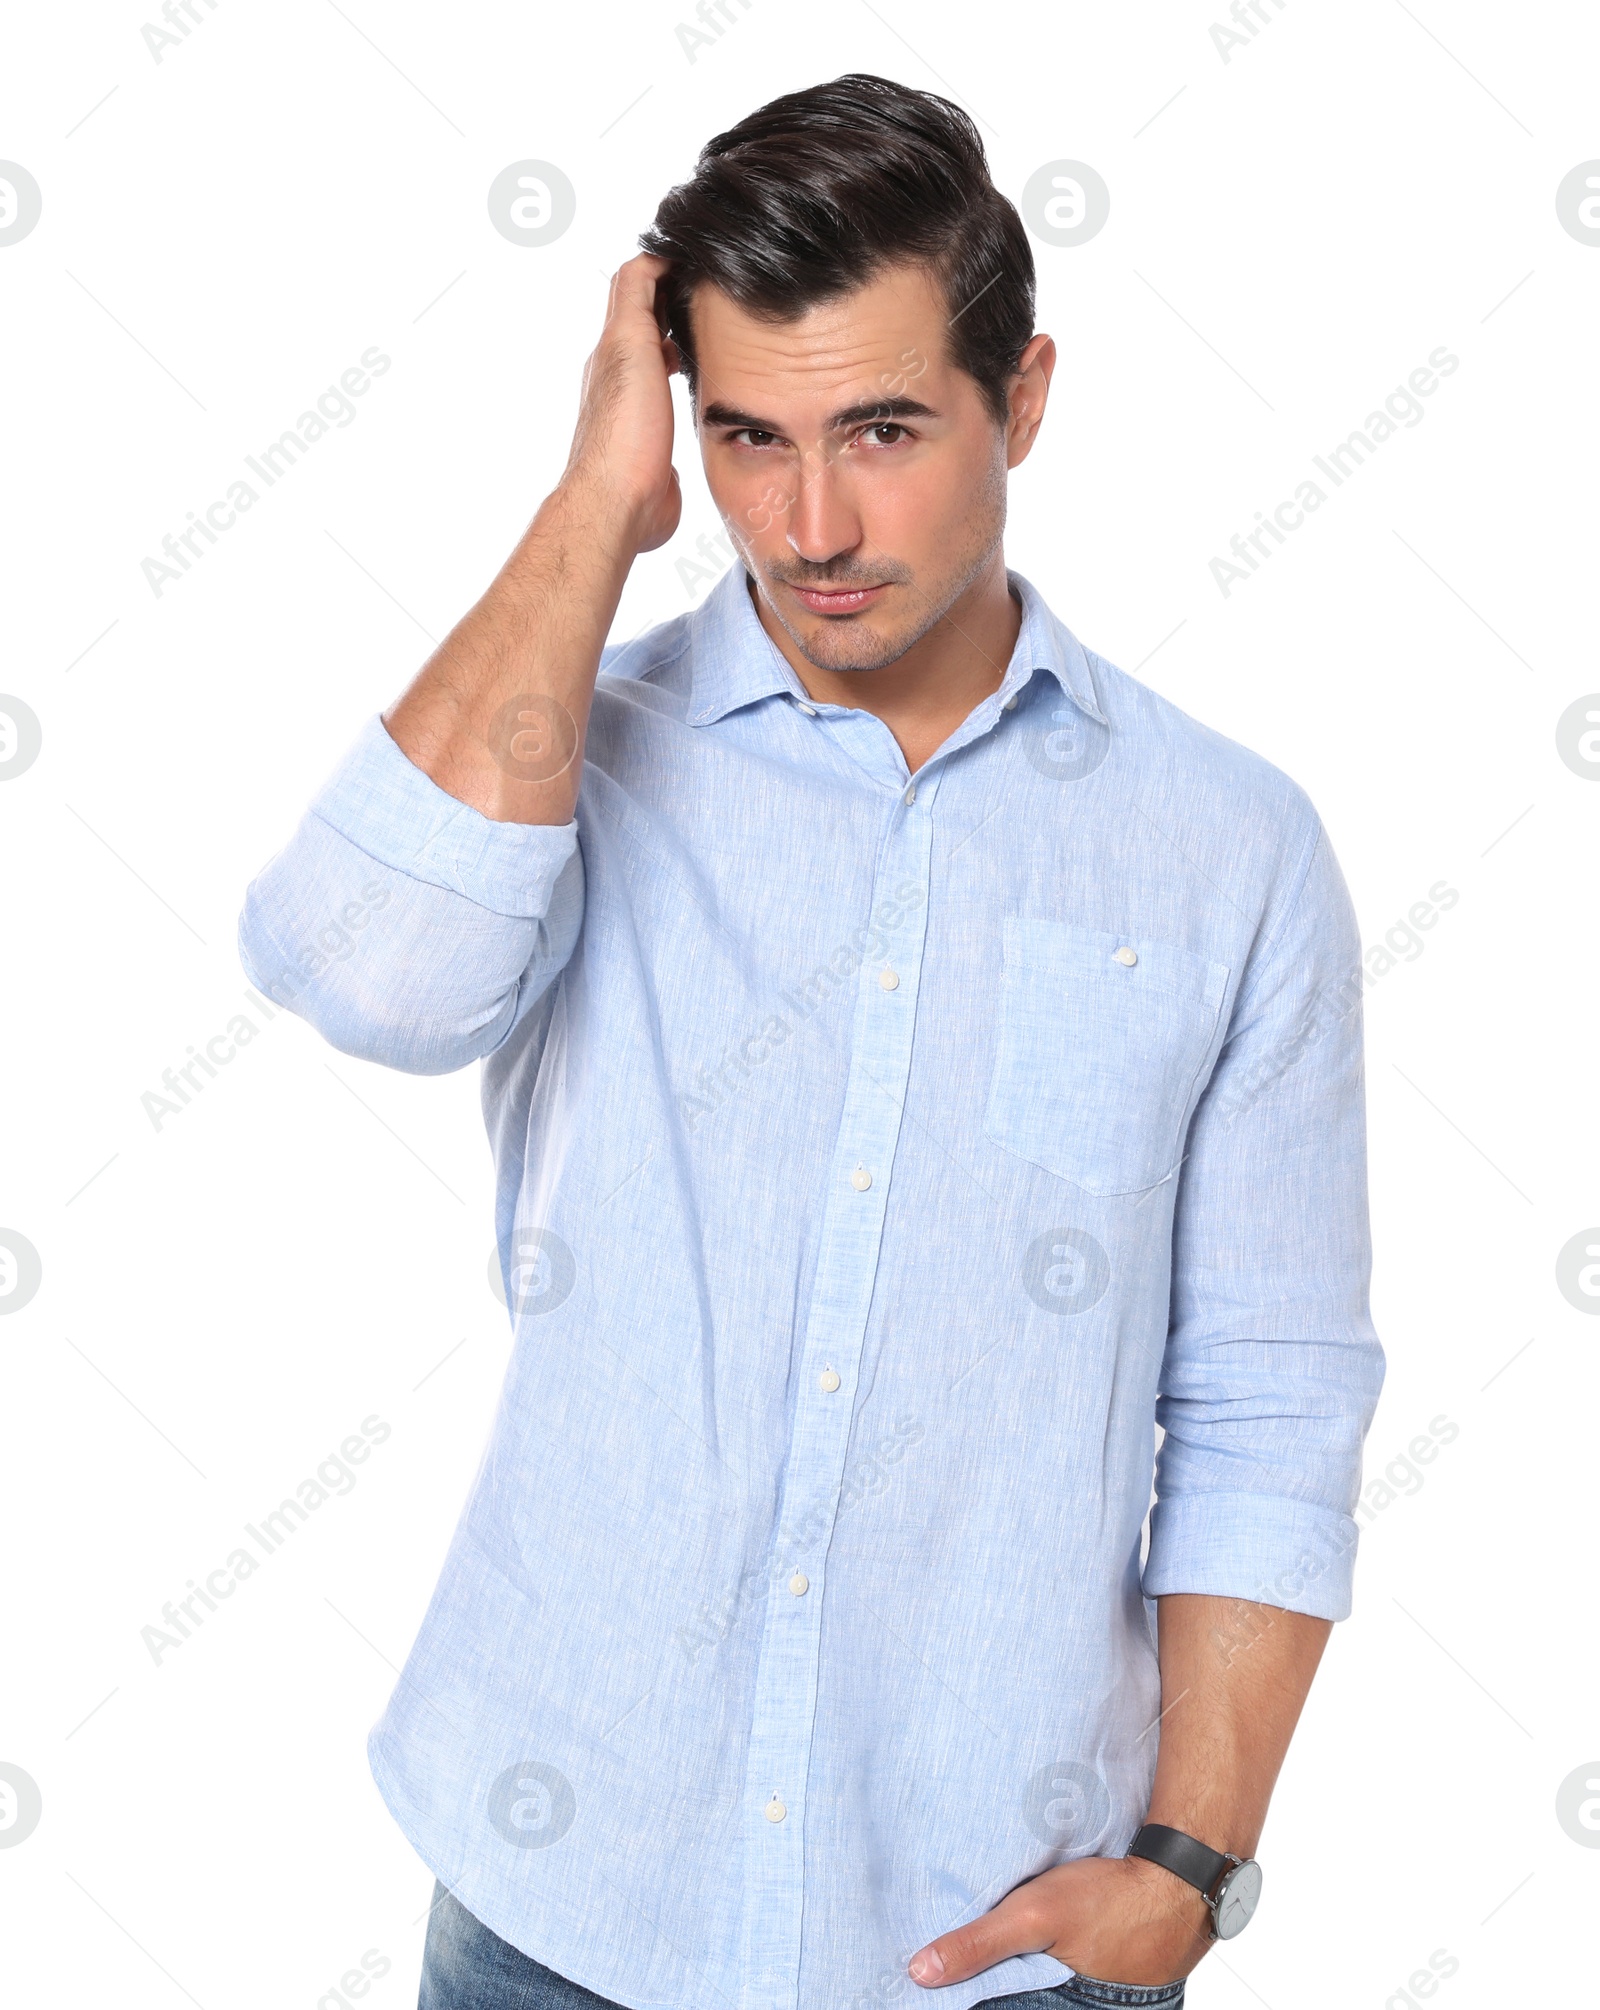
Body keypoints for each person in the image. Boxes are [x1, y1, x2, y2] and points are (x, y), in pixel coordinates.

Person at [239, 72, 1384, 2010]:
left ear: (1020, 399)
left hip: (988, 1934)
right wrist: (596, 505)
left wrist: (1187, 1866)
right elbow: (362, 971)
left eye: (881, 432)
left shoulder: (1223, 850)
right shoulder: (575, 754)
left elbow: (1270, 1400)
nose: (809, 522)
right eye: (745, 439)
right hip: (562, 1900)